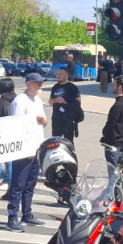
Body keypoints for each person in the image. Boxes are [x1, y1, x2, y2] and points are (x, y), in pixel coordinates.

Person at [7, 73, 48, 231]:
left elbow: (44, 122)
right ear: (29, 84)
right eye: (38, 84)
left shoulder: (37, 100)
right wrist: (25, 148)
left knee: (30, 184)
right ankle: (12, 217)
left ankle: (27, 213)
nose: (40, 87)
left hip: (37, 147)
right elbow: (17, 125)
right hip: (24, 149)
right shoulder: (20, 101)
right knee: (18, 184)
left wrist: (43, 121)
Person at [48, 66, 83, 203]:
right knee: (54, 145)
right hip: (56, 120)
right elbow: (50, 102)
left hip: (68, 121)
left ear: (67, 75)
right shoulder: (55, 87)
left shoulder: (72, 87)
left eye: (61, 73)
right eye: (57, 73)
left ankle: (70, 174)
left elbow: (78, 103)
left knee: (68, 146)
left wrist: (67, 101)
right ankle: (55, 174)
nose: (58, 75)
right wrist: (57, 101)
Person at [101, 77, 123, 194]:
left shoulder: (118, 105)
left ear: (120, 87)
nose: (113, 87)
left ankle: (111, 197)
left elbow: (110, 124)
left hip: (114, 144)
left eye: (115, 85)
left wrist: (104, 136)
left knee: (113, 174)